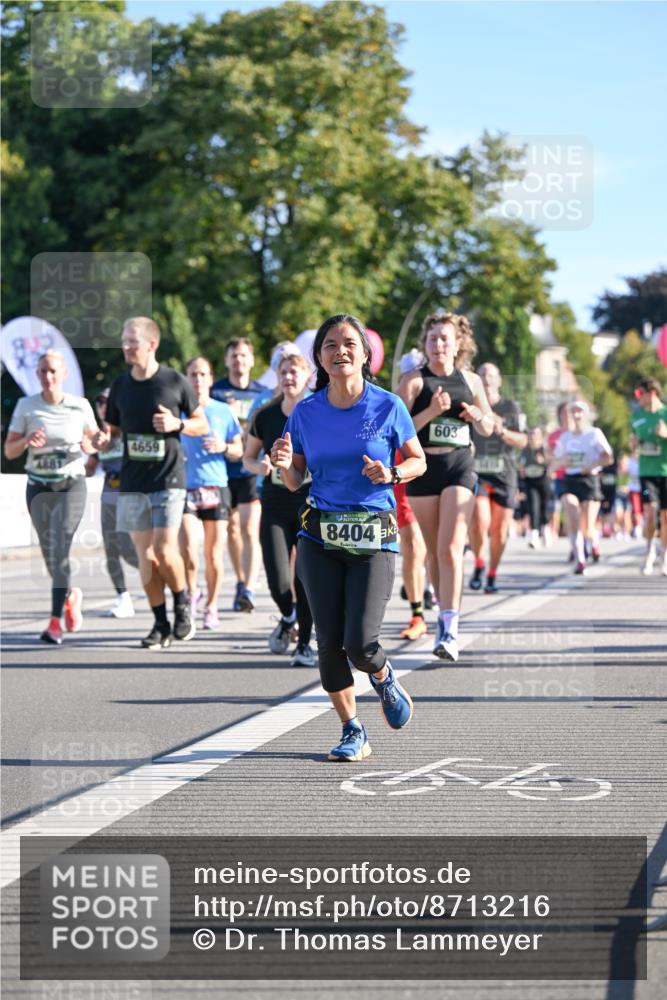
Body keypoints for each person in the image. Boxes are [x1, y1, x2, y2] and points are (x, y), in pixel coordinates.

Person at [272, 314, 426, 761]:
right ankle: (352, 729)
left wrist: (392, 472)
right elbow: (295, 479)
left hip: (373, 535)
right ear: (320, 358)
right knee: (327, 640)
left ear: (365, 355)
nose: (340, 351)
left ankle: (382, 675)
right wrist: (282, 463)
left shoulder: (388, 406)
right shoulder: (306, 412)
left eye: (349, 344)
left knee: (359, 643)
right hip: (319, 535)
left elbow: (418, 461)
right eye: (330, 345)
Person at [96, 317, 208, 648]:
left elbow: (201, 424)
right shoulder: (120, 385)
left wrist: (177, 424)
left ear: (151, 344)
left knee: (163, 548)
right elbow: (113, 430)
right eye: (124, 340)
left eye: (132, 341)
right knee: (146, 556)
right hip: (133, 482)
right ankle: (160, 623)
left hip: (169, 478)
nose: (126, 347)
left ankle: (182, 601)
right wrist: (102, 440)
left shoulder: (173, 381)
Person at [399, 312, 493, 662]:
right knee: (435, 553)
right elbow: (395, 429)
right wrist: (431, 412)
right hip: (423, 469)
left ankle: (450, 629)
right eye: (432, 338)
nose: (438, 344)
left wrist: (478, 416)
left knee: (451, 548)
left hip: (459, 466)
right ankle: (442, 615)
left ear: (457, 345)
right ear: (425, 344)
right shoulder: (413, 381)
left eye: (445, 338)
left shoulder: (471, 380)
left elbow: (488, 427)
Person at [4, 350, 99, 644]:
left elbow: (94, 443)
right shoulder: (27, 406)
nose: (48, 377)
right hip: (38, 487)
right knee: (50, 554)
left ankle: (55, 622)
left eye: (53, 371)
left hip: (71, 485)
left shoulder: (80, 406)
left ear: (64, 374)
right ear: (37, 374)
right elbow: (9, 451)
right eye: (43, 371)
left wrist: (89, 444)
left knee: (59, 544)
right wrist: (26, 440)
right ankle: (68, 595)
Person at [244, 352, 315, 666]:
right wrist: (257, 466)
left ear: (307, 376)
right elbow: (247, 457)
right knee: (277, 579)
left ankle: (305, 644)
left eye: (294, 372)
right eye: (283, 372)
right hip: (274, 505)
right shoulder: (265, 415)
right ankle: (288, 617)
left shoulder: (318, 412)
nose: (288, 378)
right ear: (277, 376)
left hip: (309, 504)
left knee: (305, 577)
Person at [179, 357, 243, 629]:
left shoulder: (223, 411)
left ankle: (212, 606)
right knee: (188, 549)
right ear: (186, 378)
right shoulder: (178, 411)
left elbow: (239, 450)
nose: (198, 380)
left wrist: (223, 447)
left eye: (203, 374)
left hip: (216, 486)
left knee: (213, 554)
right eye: (193, 374)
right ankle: (193, 592)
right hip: (186, 486)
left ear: (210, 378)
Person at [211, 338, 271, 611]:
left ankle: (249, 588)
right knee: (232, 529)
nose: (239, 360)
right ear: (226, 361)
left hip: (251, 468)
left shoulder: (263, 393)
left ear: (252, 360)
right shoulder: (216, 392)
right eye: (234, 356)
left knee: (249, 527)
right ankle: (240, 579)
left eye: (244, 355)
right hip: (223, 469)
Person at [469, 364, 527, 592]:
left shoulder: (511, 407)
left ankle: (492, 574)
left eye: (491, 375)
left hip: (505, 474)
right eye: (482, 374)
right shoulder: (470, 405)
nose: (487, 379)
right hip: (477, 473)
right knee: (479, 519)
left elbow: (523, 440)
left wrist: (501, 430)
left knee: (500, 530)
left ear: (499, 381)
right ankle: (479, 563)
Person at [85, 388, 139, 617]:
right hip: (109, 494)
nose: (103, 406)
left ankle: (160, 575)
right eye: (99, 403)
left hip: (131, 495)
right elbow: (89, 468)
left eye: (107, 402)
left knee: (128, 549)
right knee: (110, 549)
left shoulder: (129, 430)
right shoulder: (99, 436)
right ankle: (123, 598)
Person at [551, 400, 613, 575]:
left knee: (587, 527)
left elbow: (608, 458)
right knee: (571, 512)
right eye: (574, 412)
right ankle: (580, 559)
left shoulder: (594, 433)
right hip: (570, 479)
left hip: (589, 480)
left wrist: (592, 465)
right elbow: (556, 460)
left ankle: (594, 542)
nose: (577, 415)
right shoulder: (565, 437)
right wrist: (557, 464)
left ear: (586, 415)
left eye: (580, 412)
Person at [394, 351, 428, 641]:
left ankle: (422, 586)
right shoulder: (397, 401)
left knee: (430, 546)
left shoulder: (440, 391)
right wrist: (433, 411)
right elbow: (401, 428)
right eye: (409, 374)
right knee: (414, 544)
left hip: (438, 474)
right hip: (405, 473)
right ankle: (417, 615)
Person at [630, 376, 667, 575]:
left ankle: (665, 556)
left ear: (652, 393)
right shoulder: (637, 417)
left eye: (640, 393)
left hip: (666, 471)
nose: (638, 398)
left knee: (666, 516)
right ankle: (649, 550)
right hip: (647, 472)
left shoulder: (665, 414)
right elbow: (633, 444)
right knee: (651, 512)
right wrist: (633, 445)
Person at [519, 426, 553, 548]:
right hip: (530, 482)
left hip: (543, 482)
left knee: (544, 508)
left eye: (535, 434)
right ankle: (534, 536)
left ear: (540, 436)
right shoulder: (525, 450)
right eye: (531, 434)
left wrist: (544, 461)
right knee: (533, 507)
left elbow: (552, 462)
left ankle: (546, 531)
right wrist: (521, 472)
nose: (533, 437)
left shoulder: (544, 449)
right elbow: (521, 465)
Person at [548, 400, 572, 552]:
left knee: (576, 512)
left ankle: (579, 542)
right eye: (564, 412)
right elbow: (549, 455)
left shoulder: (581, 433)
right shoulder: (554, 435)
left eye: (570, 411)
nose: (567, 415)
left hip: (579, 476)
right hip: (561, 476)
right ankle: (572, 543)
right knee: (563, 508)